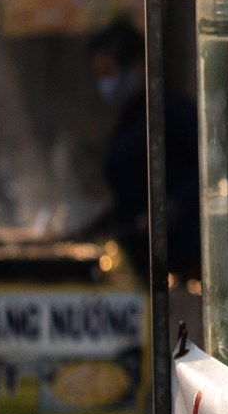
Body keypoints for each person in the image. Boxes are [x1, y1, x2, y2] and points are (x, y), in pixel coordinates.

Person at [84, 20, 198, 282]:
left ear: (137, 66)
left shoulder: (172, 111)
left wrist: (171, 209)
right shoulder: (125, 121)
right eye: (98, 75)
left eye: (108, 72)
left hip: (181, 267)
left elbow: (207, 169)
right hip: (140, 267)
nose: (104, 83)